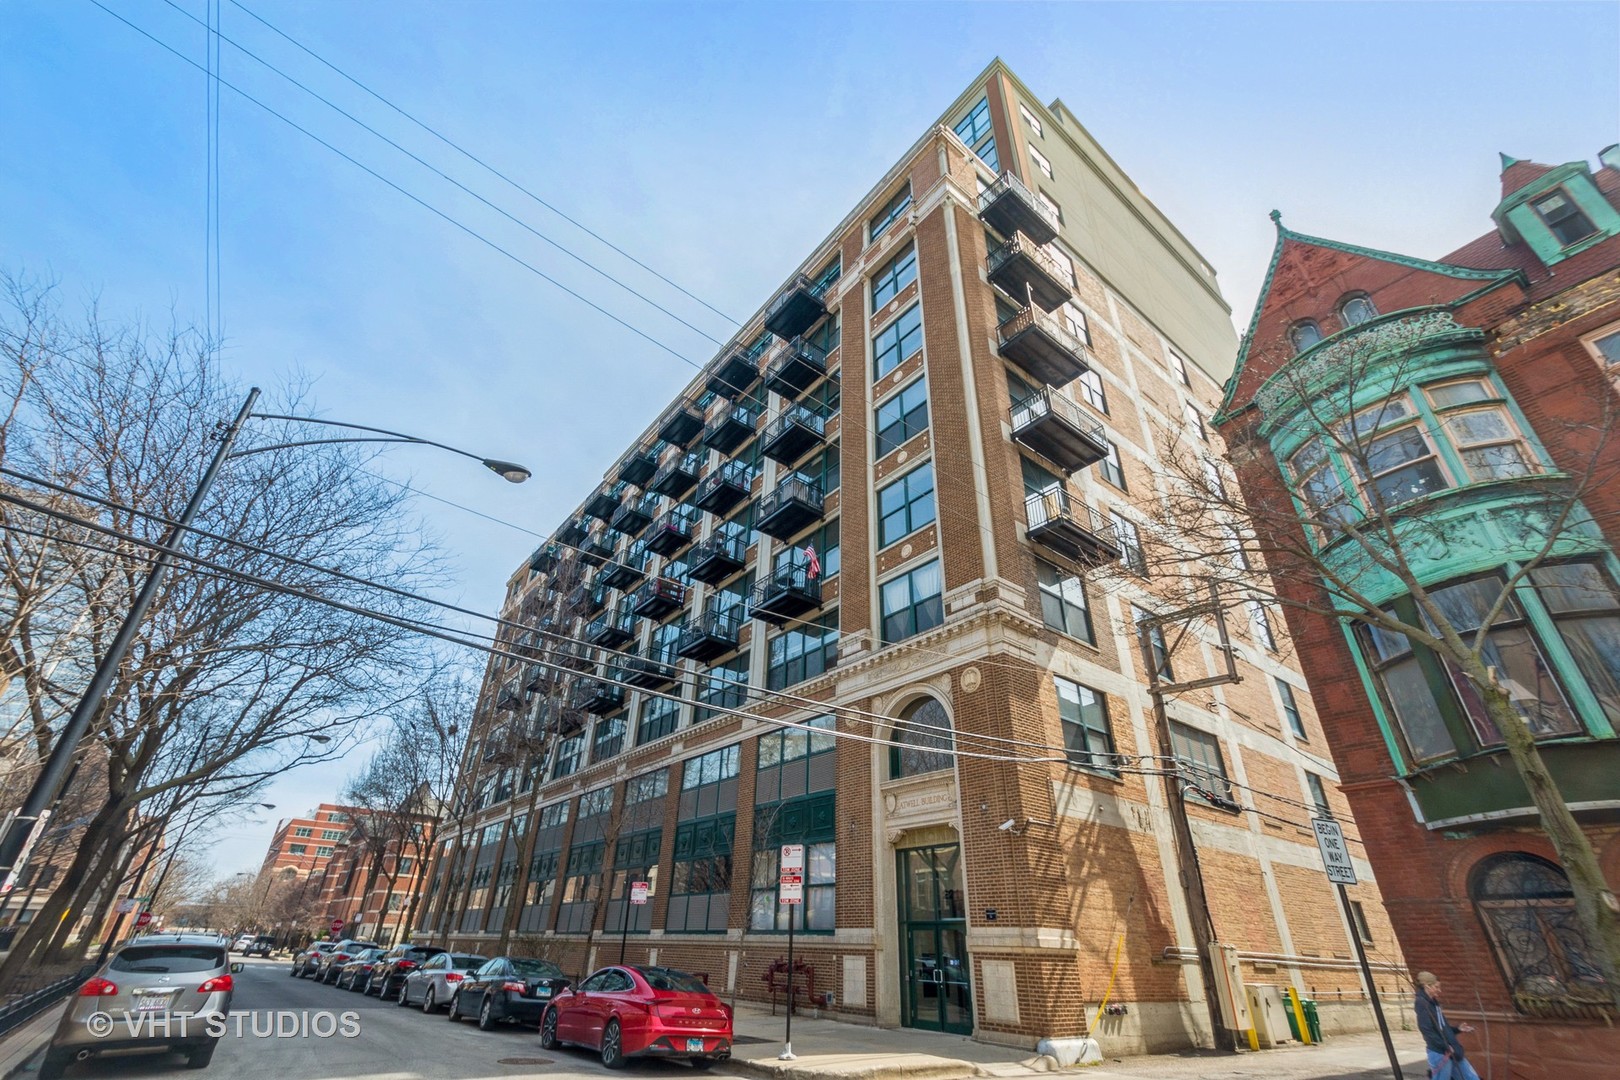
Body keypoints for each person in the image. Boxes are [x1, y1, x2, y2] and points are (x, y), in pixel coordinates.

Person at [1413, 971, 1480, 1080]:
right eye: (1436, 987)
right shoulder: (1421, 1003)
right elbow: (1427, 1031)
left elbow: (1442, 1027)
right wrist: (1445, 1046)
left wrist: (1457, 1029)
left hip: (1452, 1050)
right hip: (1440, 1053)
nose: (1439, 991)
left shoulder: (1433, 1002)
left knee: (1472, 1078)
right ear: (1427, 986)